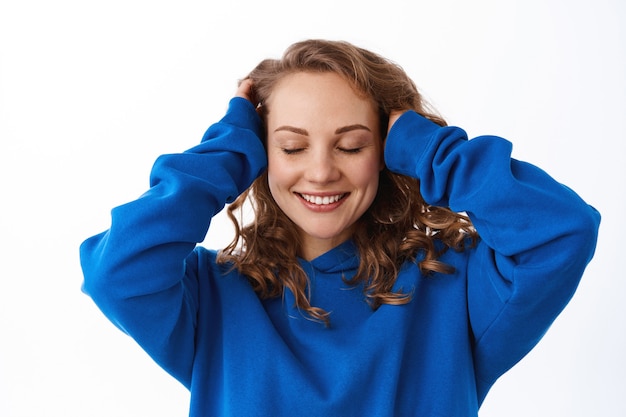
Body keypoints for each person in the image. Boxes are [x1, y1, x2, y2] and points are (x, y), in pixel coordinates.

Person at [79, 39, 600, 416]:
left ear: (386, 153)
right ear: (261, 154)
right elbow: (116, 272)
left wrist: (427, 148)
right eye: (291, 146)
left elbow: (561, 231)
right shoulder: (209, 295)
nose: (323, 170)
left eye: (351, 145)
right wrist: (227, 151)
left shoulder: (456, 284)